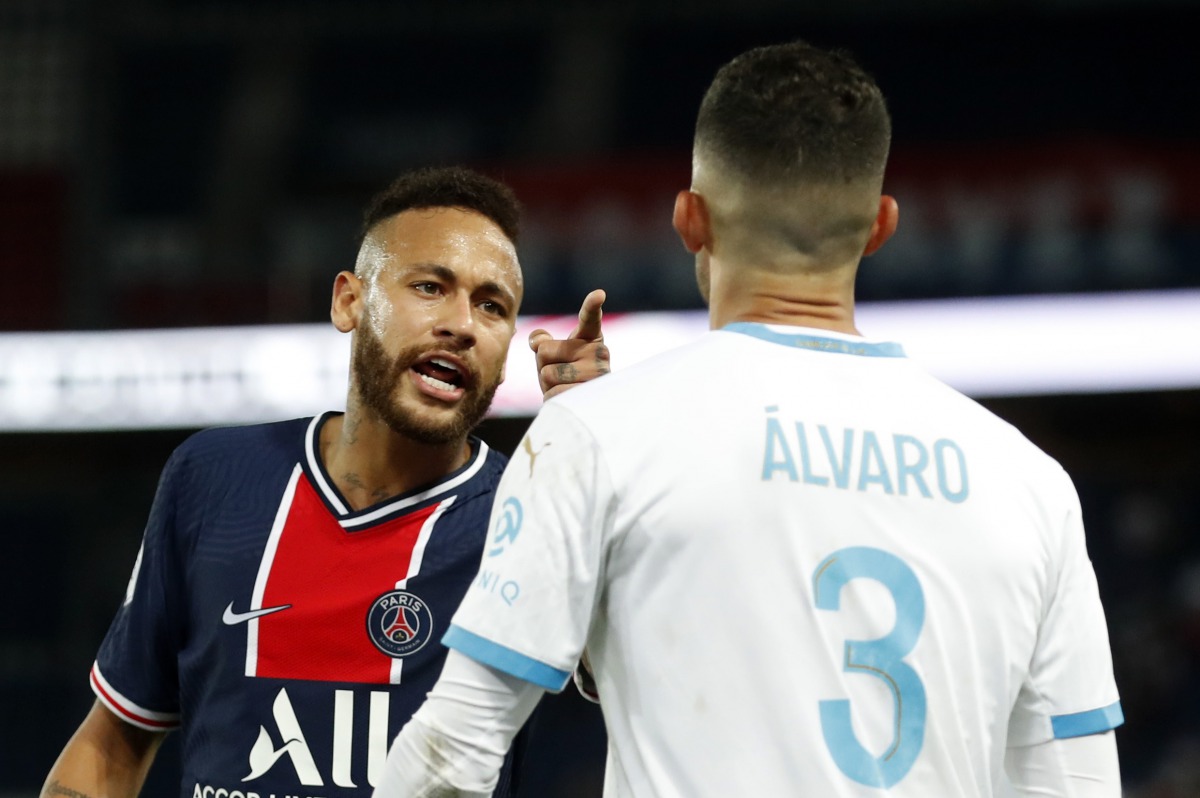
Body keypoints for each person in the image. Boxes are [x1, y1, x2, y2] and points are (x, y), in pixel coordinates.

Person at [373, 41, 1124, 797]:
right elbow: (1078, 787)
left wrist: (585, 457)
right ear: (880, 226)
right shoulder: (1033, 484)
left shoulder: (600, 436)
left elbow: (450, 760)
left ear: (689, 219)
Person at [40, 165, 610, 798]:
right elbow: (112, 744)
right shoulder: (213, 479)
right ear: (348, 302)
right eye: (429, 287)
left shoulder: (526, 509)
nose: (463, 324)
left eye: (492, 306)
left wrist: (595, 459)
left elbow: (639, 683)